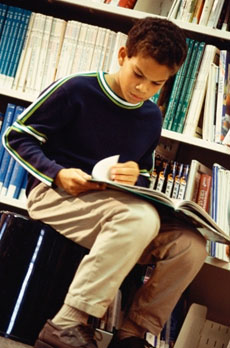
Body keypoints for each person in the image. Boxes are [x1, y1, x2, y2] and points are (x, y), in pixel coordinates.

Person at [3, 17, 207, 348]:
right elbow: (17, 136)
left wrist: (133, 174)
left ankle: (132, 334)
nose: (142, 89)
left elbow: (143, 172)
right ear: (123, 55)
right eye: (138, 74)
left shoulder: (150, 116)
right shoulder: (76, 89)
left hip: (114, 206)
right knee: (139, 219)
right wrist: (57, 173)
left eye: (156, 84)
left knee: (191, 246)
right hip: (54, 193)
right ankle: (67, 321)